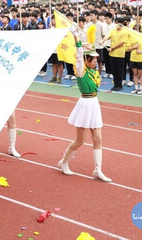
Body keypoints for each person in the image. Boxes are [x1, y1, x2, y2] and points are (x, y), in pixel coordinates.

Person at [57, 28, 111, 182]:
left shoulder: (95, 72)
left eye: (96, 60)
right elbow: (79, 55)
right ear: (87, 61)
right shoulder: (81, 71)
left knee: (98, 139)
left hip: (94, 104)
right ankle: (64, 162)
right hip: (85, 104)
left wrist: (91, 45)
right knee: (80, 141)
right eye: (93, 60)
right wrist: (76, 37)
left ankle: (98, 170)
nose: (96, 62)